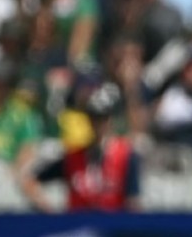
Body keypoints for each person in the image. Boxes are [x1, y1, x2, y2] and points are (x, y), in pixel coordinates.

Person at [21, 80, 141, 212]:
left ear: (110, 120)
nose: (98, 124)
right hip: (78, 227)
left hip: (112, 226)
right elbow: (30, 180)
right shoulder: (73, 158)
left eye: (103, 118)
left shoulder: (126, 155)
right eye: (94, 118)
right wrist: (48, 209)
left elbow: (133, 202)